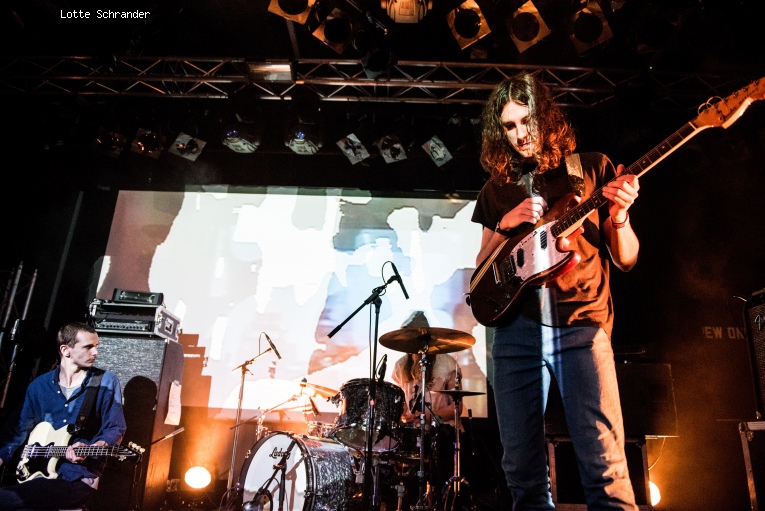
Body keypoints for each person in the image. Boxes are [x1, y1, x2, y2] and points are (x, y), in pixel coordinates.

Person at [471, 73, 640, 510]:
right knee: (522, 474)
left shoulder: (590, 168)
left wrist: (619, 218)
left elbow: (626, 259)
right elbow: (481, 274)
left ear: (544, 117)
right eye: (508, 126)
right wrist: (505, 225)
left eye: (526, 121)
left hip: (582, 326)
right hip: (515, 333)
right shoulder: (495, 189)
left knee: (605, 468)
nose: (520, 134)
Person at [0, 322, 127, 510]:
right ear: (65, 350)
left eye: (96, 346)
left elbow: (115, 428)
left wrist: (92, 447)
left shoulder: (105, 382)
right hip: (36, 472)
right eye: (88, 347)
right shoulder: (39, 386)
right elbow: (14, 433)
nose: (95, 353)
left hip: (78, 477)